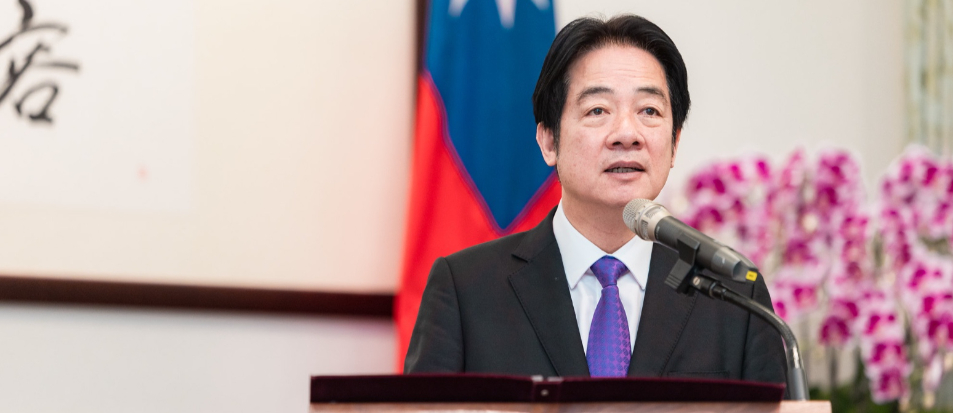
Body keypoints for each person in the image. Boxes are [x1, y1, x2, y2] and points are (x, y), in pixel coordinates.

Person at [404, 14, 786, 386]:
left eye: (649, 111)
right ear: (549, 141)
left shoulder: (735, 297)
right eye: (598, 110)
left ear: (674, 144)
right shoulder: (466, 290)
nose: (627, 134)